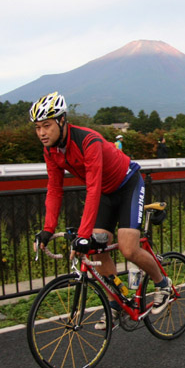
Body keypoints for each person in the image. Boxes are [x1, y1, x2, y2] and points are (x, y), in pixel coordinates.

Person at [29, 92, 173, 329]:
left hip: (127, 184)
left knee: (128, 248)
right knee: (98, 247)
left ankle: (162, 283)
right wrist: (47, 229)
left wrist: (83, 235)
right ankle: (115, 304)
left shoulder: (88, 140)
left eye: (46, 125)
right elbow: (54, 189)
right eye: (37, 128)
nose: (42, 133)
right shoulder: (51, 151)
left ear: (62, 121)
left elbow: (93, 187)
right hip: (106, 193)